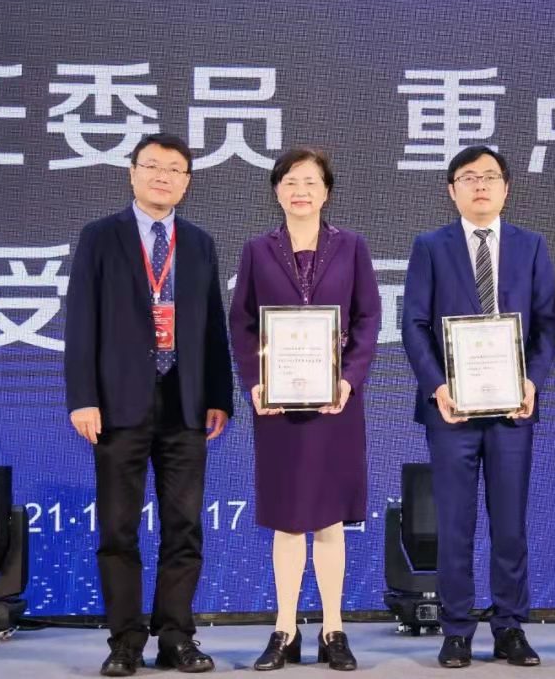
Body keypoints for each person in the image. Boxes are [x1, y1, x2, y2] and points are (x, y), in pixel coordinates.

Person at [64, 133, 234, 677]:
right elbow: (80, 321)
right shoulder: (101, 236)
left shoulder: (199, 243)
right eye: (153, 166)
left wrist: (219, 396)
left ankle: (177, 636)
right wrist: (83, 398)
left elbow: (212, 324)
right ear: (132, 172)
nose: (163, 176)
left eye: (175, 169)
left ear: (187, 182)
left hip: (186, 403)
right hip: (118, 404)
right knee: (118, 529)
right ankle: (125, 641)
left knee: (184, 525)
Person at [401, 146, 555, 669]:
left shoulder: (531, 245)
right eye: (468, 178)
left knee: (510, 525)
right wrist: (437, 387)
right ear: (452, 190)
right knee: (455, 525)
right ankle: (456, 630)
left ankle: (510, 626)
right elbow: (414, 324)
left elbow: (547, 322)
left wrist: (533, 381)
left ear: (506, 188)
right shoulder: (430, 246)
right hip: (451, 411)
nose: (480, 186)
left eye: (490, 177)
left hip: (514, 410)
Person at [228, 147, 381, 672]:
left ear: (326, 192)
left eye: (311, 181)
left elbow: (368, 319)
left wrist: (348, 380)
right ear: (277, 190)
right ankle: (285, 629)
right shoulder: (257, 249)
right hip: (278, 407)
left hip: (335, 404)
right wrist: (255, 382)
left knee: (330, 520)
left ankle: (334, 629)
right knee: (288, 521)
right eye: (291, 181)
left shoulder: (352, 246)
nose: (301, 190)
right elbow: (242, 323)